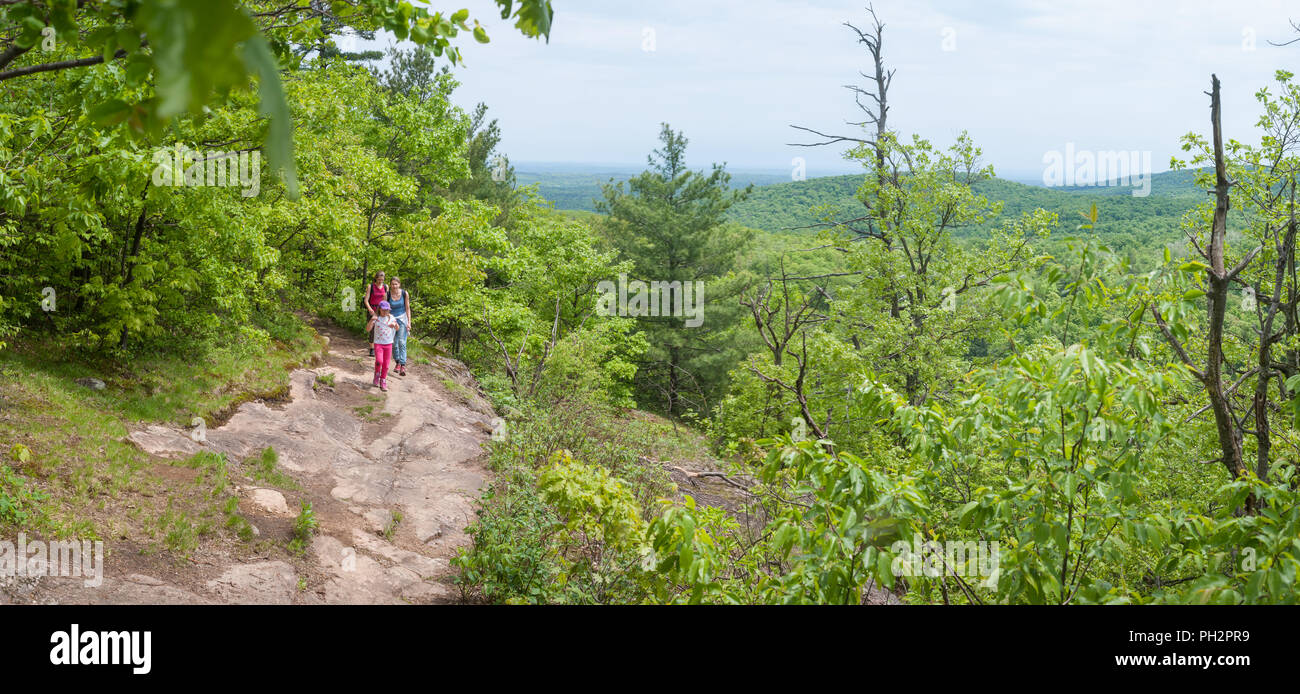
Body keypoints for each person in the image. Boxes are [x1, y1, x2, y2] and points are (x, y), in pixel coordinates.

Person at [366, 301, 399, 392]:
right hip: (378, 343)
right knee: (379, 361)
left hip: (388, 344)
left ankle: (383, 380)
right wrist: (372, 320)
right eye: (383, 310)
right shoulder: (376, 318)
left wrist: (395, 325)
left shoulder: (391, 318)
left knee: (386, 365)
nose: (385, 312)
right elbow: (368, 329)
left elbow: (397, 328)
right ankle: (377, 374)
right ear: (379, 309)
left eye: (387, 310)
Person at [387, 277, 412, 377]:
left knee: (402, 342)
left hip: (402, 320)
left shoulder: (404, 294)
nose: (394, 286)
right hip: (392, 320)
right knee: (394, 344)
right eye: (392, 284)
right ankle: (397, 362)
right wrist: (387, 320)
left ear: (399, 284)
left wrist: (409, 322)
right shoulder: (387, 294)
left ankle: (403, 365)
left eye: (396, 284)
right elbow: (385, 309)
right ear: (390, 285)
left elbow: (407, 308)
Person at [365, 270, 388, 357]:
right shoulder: (370, 286)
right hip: (372, 309)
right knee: (372, 329)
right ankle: (371, 348)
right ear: (376, 278)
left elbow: (386, 300)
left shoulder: (385, 287)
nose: (380, 281)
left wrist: (386, 311)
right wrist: (370, 309)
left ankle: (380, 347)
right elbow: (366, 300)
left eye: (382, 279)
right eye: (379, 279)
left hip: (381, 310)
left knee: (381, 328)